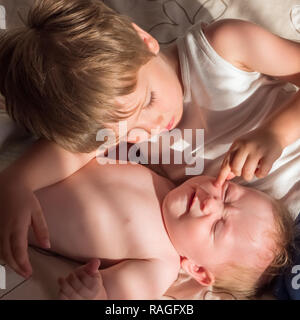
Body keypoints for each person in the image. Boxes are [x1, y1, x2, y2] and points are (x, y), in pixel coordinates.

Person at [0, 0, 300, 282]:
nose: (151, 127)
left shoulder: (223, 47)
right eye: (125, 133)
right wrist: (16, 182)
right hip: (268, 247)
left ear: (144, 40)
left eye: (148, 102)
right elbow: (70, 152)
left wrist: (276, 133)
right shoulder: (114, 117)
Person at [26, 161, 292, 299]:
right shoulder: (166, 179)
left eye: (216, 226)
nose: (211, 202)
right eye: (228, 194)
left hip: (18, 214)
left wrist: (92, 294)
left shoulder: (159, 267)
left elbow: (112, 296)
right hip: (26, 170)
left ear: (197, 269)